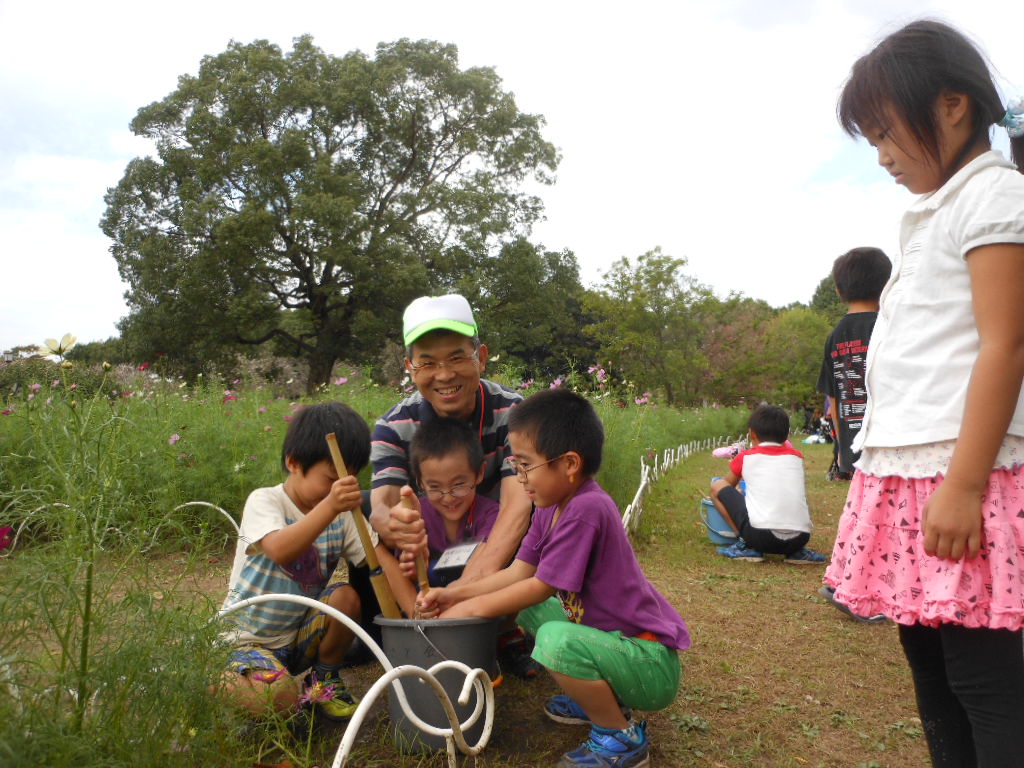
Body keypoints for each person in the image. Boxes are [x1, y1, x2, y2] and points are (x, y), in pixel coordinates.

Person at [823, 20, 1024, 767]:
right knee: (931, 669)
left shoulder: (995, 196)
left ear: (950, 107)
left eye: (885, 133)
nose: (880, 157)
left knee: (984, 677)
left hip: (959, 473)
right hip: (909, 474)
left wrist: (966, 485)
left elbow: (1006, 344)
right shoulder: (937, 211)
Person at [416, 389, 690, 768]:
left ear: (570, 464)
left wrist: (467, 608)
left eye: (526, 465)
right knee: (536, 611)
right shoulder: (550, 505)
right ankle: (597, 696)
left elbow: (538, 584)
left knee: (553, 639)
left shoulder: (586, 509)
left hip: (648, 662)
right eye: (516, 464)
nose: (519, 476)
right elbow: (518, 572)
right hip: (614, 645)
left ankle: (620, 736)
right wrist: (453, 594)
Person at [216, 402, 416, 719]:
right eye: (331, 480)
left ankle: (323, 681)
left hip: (297, 640)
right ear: (293, 463)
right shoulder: (265, 501)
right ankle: (228, 683)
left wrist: (416, 612)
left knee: (346, 597)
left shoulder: (344, 515)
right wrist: (331, 505)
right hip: (244, 644)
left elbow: (381, 564)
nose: (342, 489)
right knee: (278, 699)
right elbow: (282, 549)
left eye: (351, 478)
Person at [368, 294, 531, 584]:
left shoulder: (514, 413)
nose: (444, 375)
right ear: (410, 367)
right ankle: (381, 626)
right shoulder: (392, 427)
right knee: (361, 509)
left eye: (456, 358)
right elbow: (383, 506)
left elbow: (517, 508)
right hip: (431, 548)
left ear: (481, 358)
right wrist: (394, 526)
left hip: (499, 544)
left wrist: (467, 588)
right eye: (428, 363)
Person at [709, 405, 827, 564]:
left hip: (761, 536)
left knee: (717, 486)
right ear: (786, 436)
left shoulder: (746, 457)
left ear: (752, 433)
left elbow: (727, 485)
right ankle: (797, 553)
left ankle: (745, 544)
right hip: (801, 537)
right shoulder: (796, 456)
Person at [816, 247, 892, 480]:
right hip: (892, 441)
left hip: (854, 447)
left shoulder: (834, 337)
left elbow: (833, 397)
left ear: (839, 291)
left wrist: (840, 446)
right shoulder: (890, 327)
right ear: (887, 286)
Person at [400, 416, 501, 587]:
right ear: (420, 482)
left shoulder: (492, 515)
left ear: (480, 473)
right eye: (435, 487)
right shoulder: (416, 516)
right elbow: (406, 574)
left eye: (459, 484)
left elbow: (487, 563)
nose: (448, 498)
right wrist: (415, 571)